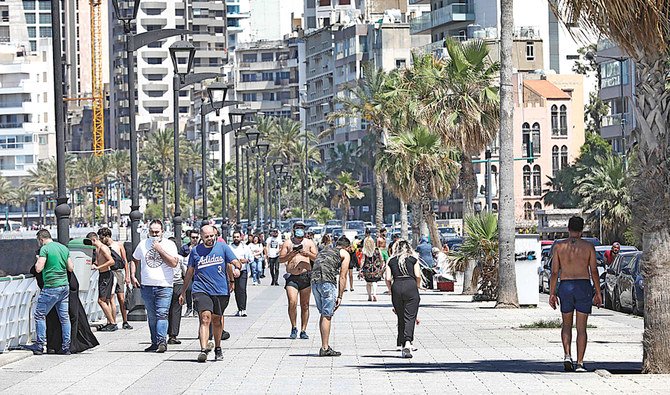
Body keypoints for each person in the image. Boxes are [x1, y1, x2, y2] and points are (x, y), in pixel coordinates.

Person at [549, 216, 602, 373]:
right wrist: (598, 292)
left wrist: (552, 293)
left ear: (568, 229)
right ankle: (579, 363)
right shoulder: (588, 247)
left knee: (566, 324)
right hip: (583, 286)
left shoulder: (559, 247)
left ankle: (567, 355)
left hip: (565, 285)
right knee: (581, 328)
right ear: (582, 230)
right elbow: (593, 271)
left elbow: (554, 272)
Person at [180, 225, 238, 362]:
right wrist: (183, 291)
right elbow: (189, 272)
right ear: (201, 237)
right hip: (201, 289)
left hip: (220, 290)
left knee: (217, 321)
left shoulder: (223, 248)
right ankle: (203, 349)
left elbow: (231, 263)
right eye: (207, 236)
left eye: (212, 235)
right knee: (205, 318)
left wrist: (236, 268)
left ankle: (218, 347)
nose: (210, 239)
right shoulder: (195, 252)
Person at [22, 230, 74, 355]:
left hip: (51, 286)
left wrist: (38, 260)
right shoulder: (63, 248)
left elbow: (39, 268)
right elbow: (71, 268)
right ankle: (66, 347)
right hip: (64, 286)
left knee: (39, 315)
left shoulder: (44, 249)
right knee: (64, 318)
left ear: (41, 239)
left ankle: (40, 345)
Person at [131, 219, 180, 353]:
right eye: (152, 232)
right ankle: (154, 342)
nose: (154, 235)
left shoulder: (169, 244)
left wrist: (160, 250)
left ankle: (162, 341)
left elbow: (174, 263)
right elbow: (134, 259)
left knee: (162, 314)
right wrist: (132, 275)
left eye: (157, 232)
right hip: (147, 285)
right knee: (152, 316)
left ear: (162, 232)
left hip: (164, 285)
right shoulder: (142, 244)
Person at [311, 236, 351, 357]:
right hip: (327, 283)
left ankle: (325, 345)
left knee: (324, 314)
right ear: (347, 247)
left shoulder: (324, 250)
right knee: (327, 315)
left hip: (314, 282)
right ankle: (325, 348)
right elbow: (343, 276)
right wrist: (340, 296)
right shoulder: (344, 253)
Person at [279, 221, 318, 339]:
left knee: (305, 305)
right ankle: (294, 327)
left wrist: (307, 254)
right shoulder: (288, 243)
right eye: (297, 228)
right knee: (292, 302)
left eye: (302, 228)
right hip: (292, 277)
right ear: (293, 230)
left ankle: (303, 329)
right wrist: (290, 255)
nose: (300, 229)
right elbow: (280, 259)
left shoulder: (309, 243)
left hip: (305, 277)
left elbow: (317, 258)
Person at [385, 239, 421, 359]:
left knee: (401, 316)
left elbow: (388, 278)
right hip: (410, 285)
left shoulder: (391, 260)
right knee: (410, 316)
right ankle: (407, 341)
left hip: (397, 286)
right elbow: (417, 275)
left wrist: (390, 290)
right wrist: (417, 286)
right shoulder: (413, 259)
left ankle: (401, 342)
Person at [98, 227, 132, 330]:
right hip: (109, 272)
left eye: (102, 238)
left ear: (107, 237)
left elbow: (125, 260)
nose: (100, 240)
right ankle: (112, 322)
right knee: (110, 298)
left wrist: (127, 275)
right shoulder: (103, 247)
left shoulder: (118, 245)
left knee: (121, 299)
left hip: (118, 272)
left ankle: (125, 321)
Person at [87, 232, 117, 331]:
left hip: (106, 275)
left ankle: (112, 323)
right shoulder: (97, 249)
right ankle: (110, 322)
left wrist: (98, 267)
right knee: (105, 300)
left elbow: (111, 261)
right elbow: (99, 261)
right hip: (102, 275)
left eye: (90, 242)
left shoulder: (103, 248)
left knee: (101, 300)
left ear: (94, 240)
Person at [229, 231, 252, 317]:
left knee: (242, 289)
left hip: (243, 270)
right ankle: (239, 309)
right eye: (234, 237)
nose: (236, 238)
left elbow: (251, 258)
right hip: (232, 271)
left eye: (237, 237)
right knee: (236, 290)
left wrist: (245, 260)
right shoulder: (229, 247)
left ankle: (243, 309)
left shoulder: (245, 247)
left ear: (241, 237)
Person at [361, 233, 383, 301]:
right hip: (376, 268)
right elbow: (381, 258)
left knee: (368, 283)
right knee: (374, 282)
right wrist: (381, 265)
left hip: (367, 268)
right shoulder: (377, 249)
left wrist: (360, 268)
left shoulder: (364, 250)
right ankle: (374, 294)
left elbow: (363, 260)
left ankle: (369, 296)